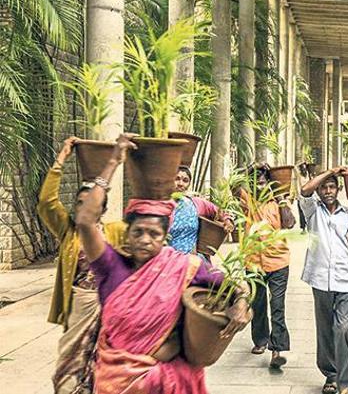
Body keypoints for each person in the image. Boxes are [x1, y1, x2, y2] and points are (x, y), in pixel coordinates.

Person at [75, 134, 251, 394]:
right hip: (116, 382)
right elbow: (85, 222)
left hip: (167, 383)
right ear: (127, 233)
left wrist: (241, 305)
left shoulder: (184, 266)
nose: (145, 240)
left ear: (165, 236)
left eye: (154, 234)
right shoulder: (110, 266)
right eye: (138, 232)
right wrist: (113, 161)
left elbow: (236, 287)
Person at [37, 136, 127, 394]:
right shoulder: (68, 231)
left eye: (90, 204)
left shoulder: (116, 232)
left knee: (105, 368)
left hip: (109, 309)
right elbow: (46, 202)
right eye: (79, 203)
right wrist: (61, 158)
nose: (83, 208)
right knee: (68, 371)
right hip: (79, 305)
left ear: (102, 208)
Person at [298, 167, 348, 394]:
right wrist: (332, 171)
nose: (328, 191)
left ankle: (345, 383)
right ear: (319, 190)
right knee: (326, 330)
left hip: (346, 278)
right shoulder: (311, 211)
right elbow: (304, 190)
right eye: (324, 187)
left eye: (332, 186)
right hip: (320, 279)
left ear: (338, 189)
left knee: (343, 328)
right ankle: (331, 376)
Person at [242, 163, 296, 369]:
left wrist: (281, 198)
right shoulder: (248, 202)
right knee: (258, 304)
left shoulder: (278, 202)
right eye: (256, 183)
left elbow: (290, 223)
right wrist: (251, 168)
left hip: (278, 262)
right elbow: (234, 186)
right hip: (253, 262)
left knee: (277, 307)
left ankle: (277, 350)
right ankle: (261, 340)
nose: (260, 186)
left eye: (264, 182)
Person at [168, 165, 234, 256]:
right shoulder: (163, 204)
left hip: (192, 260)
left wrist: (227, 221)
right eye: (177, 179)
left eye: (185, 180)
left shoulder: (196, 203)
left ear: (189, 184)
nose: (180, 183)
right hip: (168, 260)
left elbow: (219, 212)